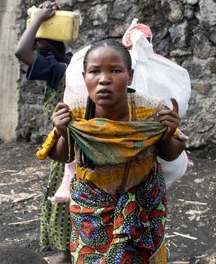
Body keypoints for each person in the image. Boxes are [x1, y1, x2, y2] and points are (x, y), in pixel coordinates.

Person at [46, 39, 185, 263]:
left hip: (142, 204)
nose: (104, 79)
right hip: (92, 208)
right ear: (84, 77)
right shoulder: (76, 112)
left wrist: (168, 133)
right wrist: (62, 131)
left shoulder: (150, 110)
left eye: (115, 70)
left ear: (129, 76)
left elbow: (170, 154)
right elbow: (64, 156)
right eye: (94, 71)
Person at [14, 1, 73, 264]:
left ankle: (65, 253)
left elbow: (20, 50)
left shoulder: (55, 69)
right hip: (73, 145)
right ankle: (69, 251)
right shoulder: (70, 64)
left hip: (67, 148)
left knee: (64, 200)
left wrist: (38, 19)